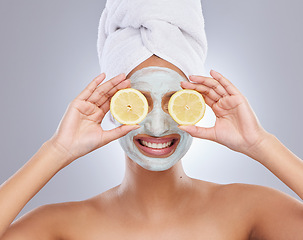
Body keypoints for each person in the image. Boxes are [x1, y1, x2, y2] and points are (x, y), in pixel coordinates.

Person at [1, 54, 303, 239]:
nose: (158, 126)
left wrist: (260, 143)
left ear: (197, 104)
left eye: (175, 102)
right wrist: (57, 150)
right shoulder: (61, 224)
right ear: (111, 107)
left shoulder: (248, 209)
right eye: (137, 103)